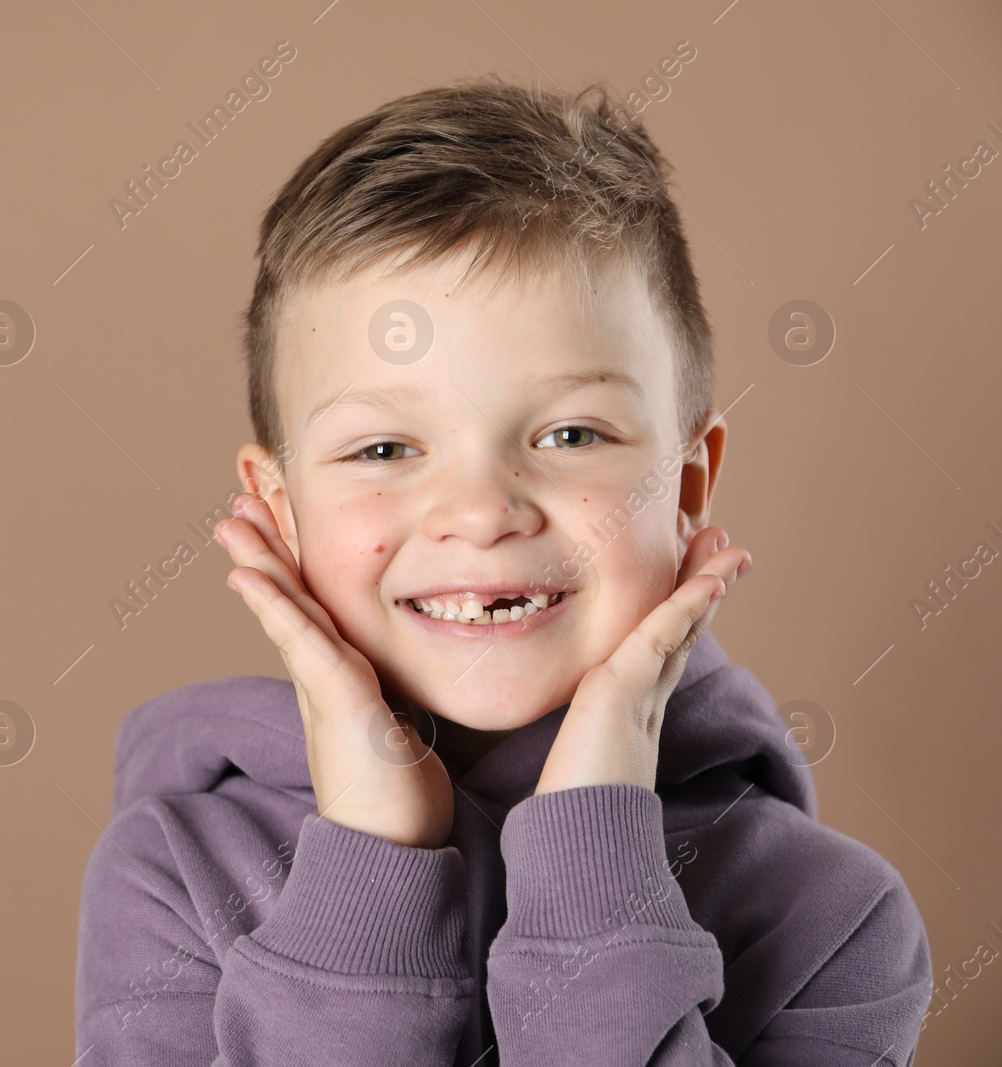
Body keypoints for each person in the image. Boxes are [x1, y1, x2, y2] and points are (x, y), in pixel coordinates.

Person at [74, 74, 932, 1064]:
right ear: (280, 510)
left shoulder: (830, 916)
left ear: (688, 488)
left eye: (571, 432)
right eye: (385, 449)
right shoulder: (173, 874)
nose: (481, 512)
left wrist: (588, 847)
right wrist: (373, 854)